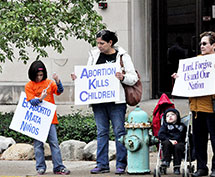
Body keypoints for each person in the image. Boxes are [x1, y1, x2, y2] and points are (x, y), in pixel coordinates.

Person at [71, 29, 138, 174]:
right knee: (102, 132)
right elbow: (88, 76)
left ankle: (121, 164)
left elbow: (134, 78)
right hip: (99, 101)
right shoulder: (94, 55)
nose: (99, 46)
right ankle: (102, 164)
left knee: (119, 132)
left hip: (116, 102)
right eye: (97, 43)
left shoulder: (122, 57)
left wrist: (122, 77)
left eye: (102, 43)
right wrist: (79, 79)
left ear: (110, 42)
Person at [172, 31, 215, 177]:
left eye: (205, 43)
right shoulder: (196, 61)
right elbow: (190, 80)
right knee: (199, 140)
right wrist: (179, 78)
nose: (201, 46)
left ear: (214, 45)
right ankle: (201, 167)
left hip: (213, 108)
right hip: (197, 108)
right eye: (200, 44)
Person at [25, 60, 70, 175]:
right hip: (37, 120)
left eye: (41, 75)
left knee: (54, 143)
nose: (39, 78)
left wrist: (58, 81)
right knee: (38, 144)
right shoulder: (29, 85)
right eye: (37, 75)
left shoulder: (49, 83)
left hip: (50, 119)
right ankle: (40, 167)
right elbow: (31, 101)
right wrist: (40, 98)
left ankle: (58, 167)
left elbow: (59, 91)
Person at [158, 108, 187, 175]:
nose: (170, 117)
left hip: (179, 143)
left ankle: (176, 166)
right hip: (168, 142)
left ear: (177, 116)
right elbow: (161, 135)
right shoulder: (165, 126)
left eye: (172, 115)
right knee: (165, 143)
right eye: (167, 116)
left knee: (178, 147)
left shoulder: (182, 126)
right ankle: (166, 161)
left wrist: (176, 140)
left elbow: (184, 136)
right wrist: (170, 140)